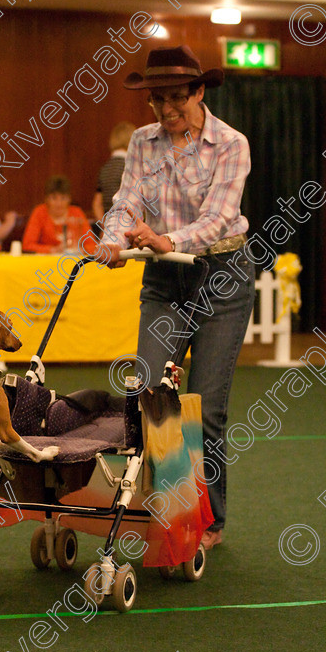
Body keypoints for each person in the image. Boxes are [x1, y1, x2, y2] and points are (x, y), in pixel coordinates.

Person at [101, 45, 255, 550]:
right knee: (151, 397)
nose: (167, 111)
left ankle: (209, 521)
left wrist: (170, 240)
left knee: (205, 408)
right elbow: (126, 203)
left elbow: (216, 217)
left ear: (199, 92)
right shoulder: (144, 144)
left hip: (222, 277)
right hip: (166, 280)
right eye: (157, 101)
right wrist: (113, 240)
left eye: (176, 100)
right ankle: (169, 510)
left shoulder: (232, 144)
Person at [22, 175, 89, 254]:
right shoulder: (39, 212)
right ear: (46, 199)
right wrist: (53, 250)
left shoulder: (77, 212)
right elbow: (27, 245)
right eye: (54, 198)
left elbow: (92, 245)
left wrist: (78, 250)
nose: (59, 203)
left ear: (69, 199)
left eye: (63, 198)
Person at [92, 121, 136, 220]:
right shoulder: (130, 167)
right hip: (127, 222)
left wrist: (104, 225)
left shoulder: (105, 168)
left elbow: (97, 203)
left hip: (110, 222)